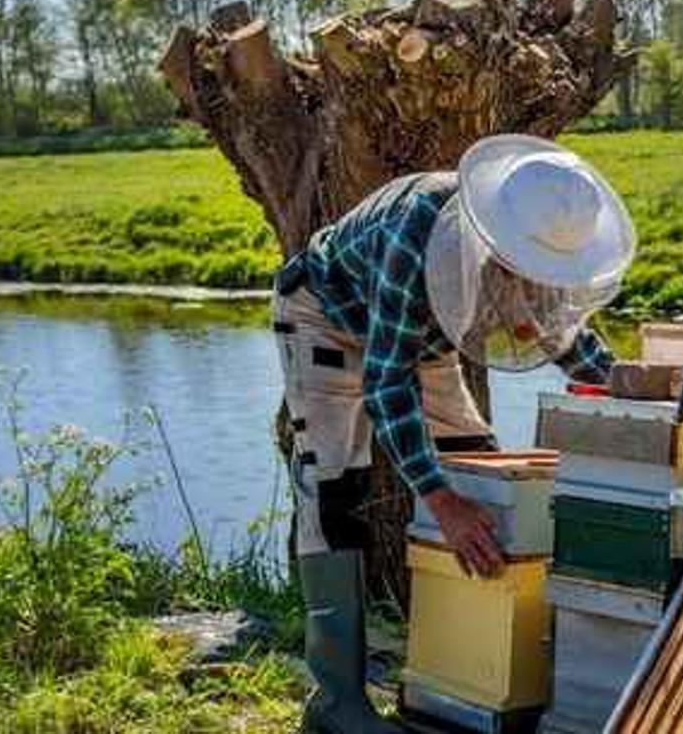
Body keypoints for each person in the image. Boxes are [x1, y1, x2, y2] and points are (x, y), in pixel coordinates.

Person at [270, 134, 635, 734]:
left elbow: (566, 339)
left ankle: (470, 676)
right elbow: (388, 384)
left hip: (422, 336)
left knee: (484, 475)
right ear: (495, 239)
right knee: (334, 493)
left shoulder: (533, 241)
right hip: (327, 320)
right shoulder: (417, 228)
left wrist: (628, 396)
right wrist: (442, 503)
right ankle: (336, 705)